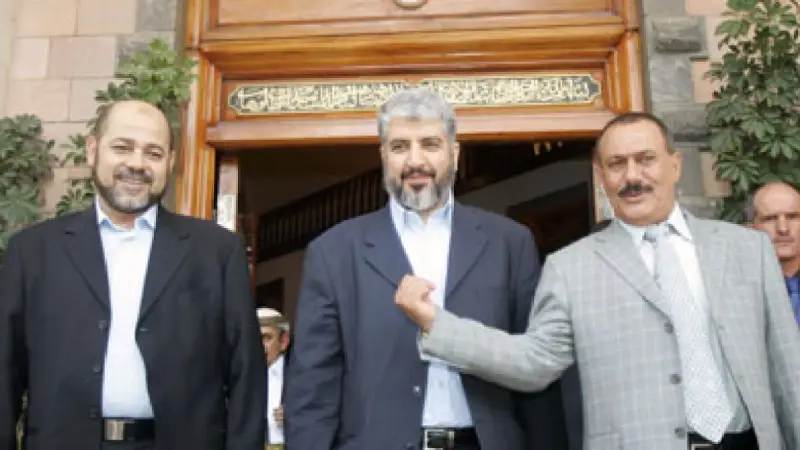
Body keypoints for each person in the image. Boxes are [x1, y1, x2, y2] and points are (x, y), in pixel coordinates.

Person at [396, 112, 800, 450]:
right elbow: (534, 362)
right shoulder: (570, 267)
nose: (632, 176)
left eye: (646, 159)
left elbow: (789, 372)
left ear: (675, 165)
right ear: (601, 174)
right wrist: (438, 325)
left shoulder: (748, 249)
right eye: (617, 164)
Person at [284, 88, 570, 450]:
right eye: (400, 146)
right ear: (383, 155)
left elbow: (538, 373)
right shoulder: (334, 251)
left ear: (454, 153)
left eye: (430, 145)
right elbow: (312, 388)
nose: (414, 161)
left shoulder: (509, 242)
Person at [0, 100, 266, 450]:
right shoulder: (33, 252)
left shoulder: (216, 251)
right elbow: (5, 372)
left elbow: (247, 373)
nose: (137, 164)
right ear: (93, 150)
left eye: (153, 153)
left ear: (170, 163)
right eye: (122, 147)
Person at [750, 182, 800, 325]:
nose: (783, 229)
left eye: (792, 217)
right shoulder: (735, 290)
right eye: (770, 219)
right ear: (751, 227)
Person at [257, 307, 291, 449]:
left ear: (283, 341)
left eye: (266, 338)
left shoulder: (300, 375)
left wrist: (294, 415)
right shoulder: (237, 379)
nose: (259, 346)